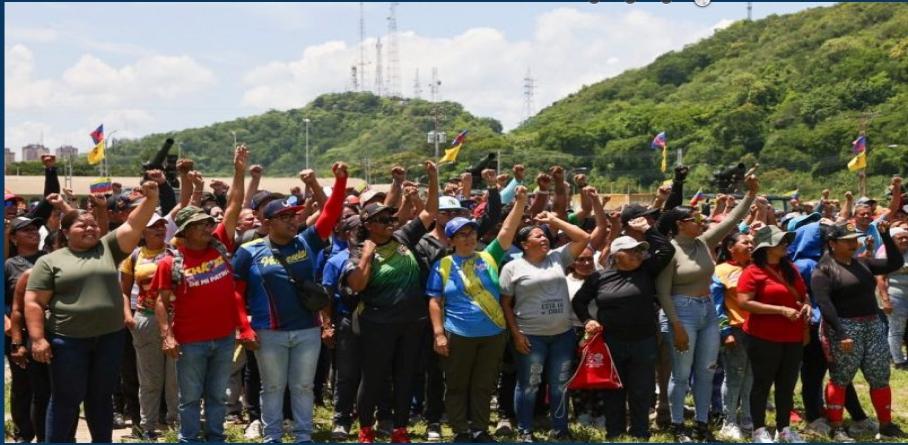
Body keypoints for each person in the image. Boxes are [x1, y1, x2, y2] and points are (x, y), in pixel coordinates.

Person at [24, 181, 159, 443]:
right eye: (81, 225)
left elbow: (133, 224)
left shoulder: (107, 248)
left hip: (109, 338)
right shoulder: (50, 261)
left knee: (100, 399)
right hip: (68, 341)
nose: (89, 228)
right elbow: (34, 302)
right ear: (65, 232)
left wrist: (151, 199)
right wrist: (38, 339)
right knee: (65, 400)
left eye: (92, 225)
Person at [232, 162, 348, 443]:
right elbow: (235, 291)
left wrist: (340, 182)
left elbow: (331, 214)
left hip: (307, 330)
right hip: (268, 332)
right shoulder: (249, 251)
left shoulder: (307, 241)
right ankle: (272, 436)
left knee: (303, 386)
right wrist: (243, 327)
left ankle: (303, 436)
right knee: (271, 387)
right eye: (284, 217)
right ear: (267, 222)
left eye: (294, 216)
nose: (292, 220)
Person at [150, 145, 254, 443]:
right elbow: (160, 300)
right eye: (201, 225)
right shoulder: (171, 262)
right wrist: (167, 335)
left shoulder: (220, 243)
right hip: (190, 341)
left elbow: (234, 204)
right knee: (190, 398)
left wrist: (238, 171)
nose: (209, 227)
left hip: (223, 337)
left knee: (217, 396)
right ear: (184, 232)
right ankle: (189, 439)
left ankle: (216, 437)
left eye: (209, 223)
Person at [655, 171, 757, 441]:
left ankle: (701, 424)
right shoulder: (669, 250)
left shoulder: (702, 242)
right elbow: (663, 293)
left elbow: (733, 219)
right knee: (680, 374)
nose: (699, 221)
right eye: (693, 218)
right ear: (679, 224)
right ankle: (678, 425)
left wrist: (750, 193)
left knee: (706, 370)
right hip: (681, 310)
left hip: (707, 310)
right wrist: (675, 325)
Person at [345, 161, 439, 443]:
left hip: (411, 323)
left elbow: (430, 211)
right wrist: (367, 256)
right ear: (369, 224)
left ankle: (400, 429)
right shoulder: (360, 249)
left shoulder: (402, 237)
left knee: (405, 376)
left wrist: (433, 177)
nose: (391, 223)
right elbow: (357, 285)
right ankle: (365, 429)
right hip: (377, 324)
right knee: (373, 378)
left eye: (392, 219)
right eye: (384, 220)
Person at [426, 186, 527, 442]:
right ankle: (461, 430)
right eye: (462, 235)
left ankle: (480, 429)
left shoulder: (489, 256)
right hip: (458, 334)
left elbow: (507, 230)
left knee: (484, 385)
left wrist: (521, 202)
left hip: (493, 333)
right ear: (451, 240)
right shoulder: (443, 265)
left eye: (471, 232)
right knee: (457, 385)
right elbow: (435, 301)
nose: (469, 238)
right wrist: (439, 334)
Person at [572, 217, 675, 440]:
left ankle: (640, 433)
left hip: (644, 341)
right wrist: (587, 319)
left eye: (640, 251)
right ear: (617, 255)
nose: (638, 255)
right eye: (632, 251)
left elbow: (667, 250)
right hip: (611, 343)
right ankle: (614, 432)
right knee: (613, 389)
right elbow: (579, 301)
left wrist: (648, 229)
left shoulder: (647, 271)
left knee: (641, 390)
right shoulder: (599, 277)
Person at [499, 211, 591, 442]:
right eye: (537, 236)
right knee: (529, 384)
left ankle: (560, 430)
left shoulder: (558, 258)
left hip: (562, 335)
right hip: (531, 336)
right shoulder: (512, 267)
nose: (544, 239)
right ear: (524, 244)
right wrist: (516, 334)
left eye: (545, 235)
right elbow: (506, 304)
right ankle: (524, 430)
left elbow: (583, 238)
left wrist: (553, 221)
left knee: (560, 384)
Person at [813, 220, 907, 440]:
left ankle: (886, 425)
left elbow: (893, 262)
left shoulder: (862, 263)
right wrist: (841, 333)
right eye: (847, 241)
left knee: (879, 376)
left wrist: (885, 236)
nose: (854, 244)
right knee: (841, 378)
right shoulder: (823, 270)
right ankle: (836, 427)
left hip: (873, 324)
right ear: (832, 243)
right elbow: (825, 304)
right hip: (844, 328)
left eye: (855, 239)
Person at [735, 225, 809, 443]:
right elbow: (744, 302)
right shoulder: (752, 271)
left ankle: (784, 428)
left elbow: (804, 295)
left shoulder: (790, 268)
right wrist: (780, 310)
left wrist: (807, 305)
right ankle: (758, 430)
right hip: (763, 336)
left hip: (792, 336)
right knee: (762, 383)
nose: (786, 244)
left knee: (787, 384)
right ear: (767, 248)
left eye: (786, 240)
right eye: (781, 241)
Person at [119, 212, 179, 440]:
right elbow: (124, 291)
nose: (160, 229)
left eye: (162, 226)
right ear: (143, 231)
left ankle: (175, 423)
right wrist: (128, 316)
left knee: (175, 378)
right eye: (154, 226)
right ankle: (148, 426)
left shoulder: (175, 253)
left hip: (175, 319)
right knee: (149, 378)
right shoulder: (133, 256)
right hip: (145, 317)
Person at [711, 232, 754, 440]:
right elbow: (717, 306)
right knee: (734, 376)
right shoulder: (720, 271)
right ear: (730, 247)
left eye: (752, 242)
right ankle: (729, 422)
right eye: (745, 242)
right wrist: (725, 331)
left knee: (751, 377)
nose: (750, 246)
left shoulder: (756, 268)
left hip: (758, 331)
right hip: (736, 330)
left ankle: (747, 418)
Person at [877, 227, 908, 369]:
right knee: (896, 330)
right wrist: (885, 300)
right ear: (892, 240)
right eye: (900, 238)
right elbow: (880, 279)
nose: (904, 240)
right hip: (895, 296)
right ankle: (898, 360)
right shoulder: (886, 255)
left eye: (906, 237)